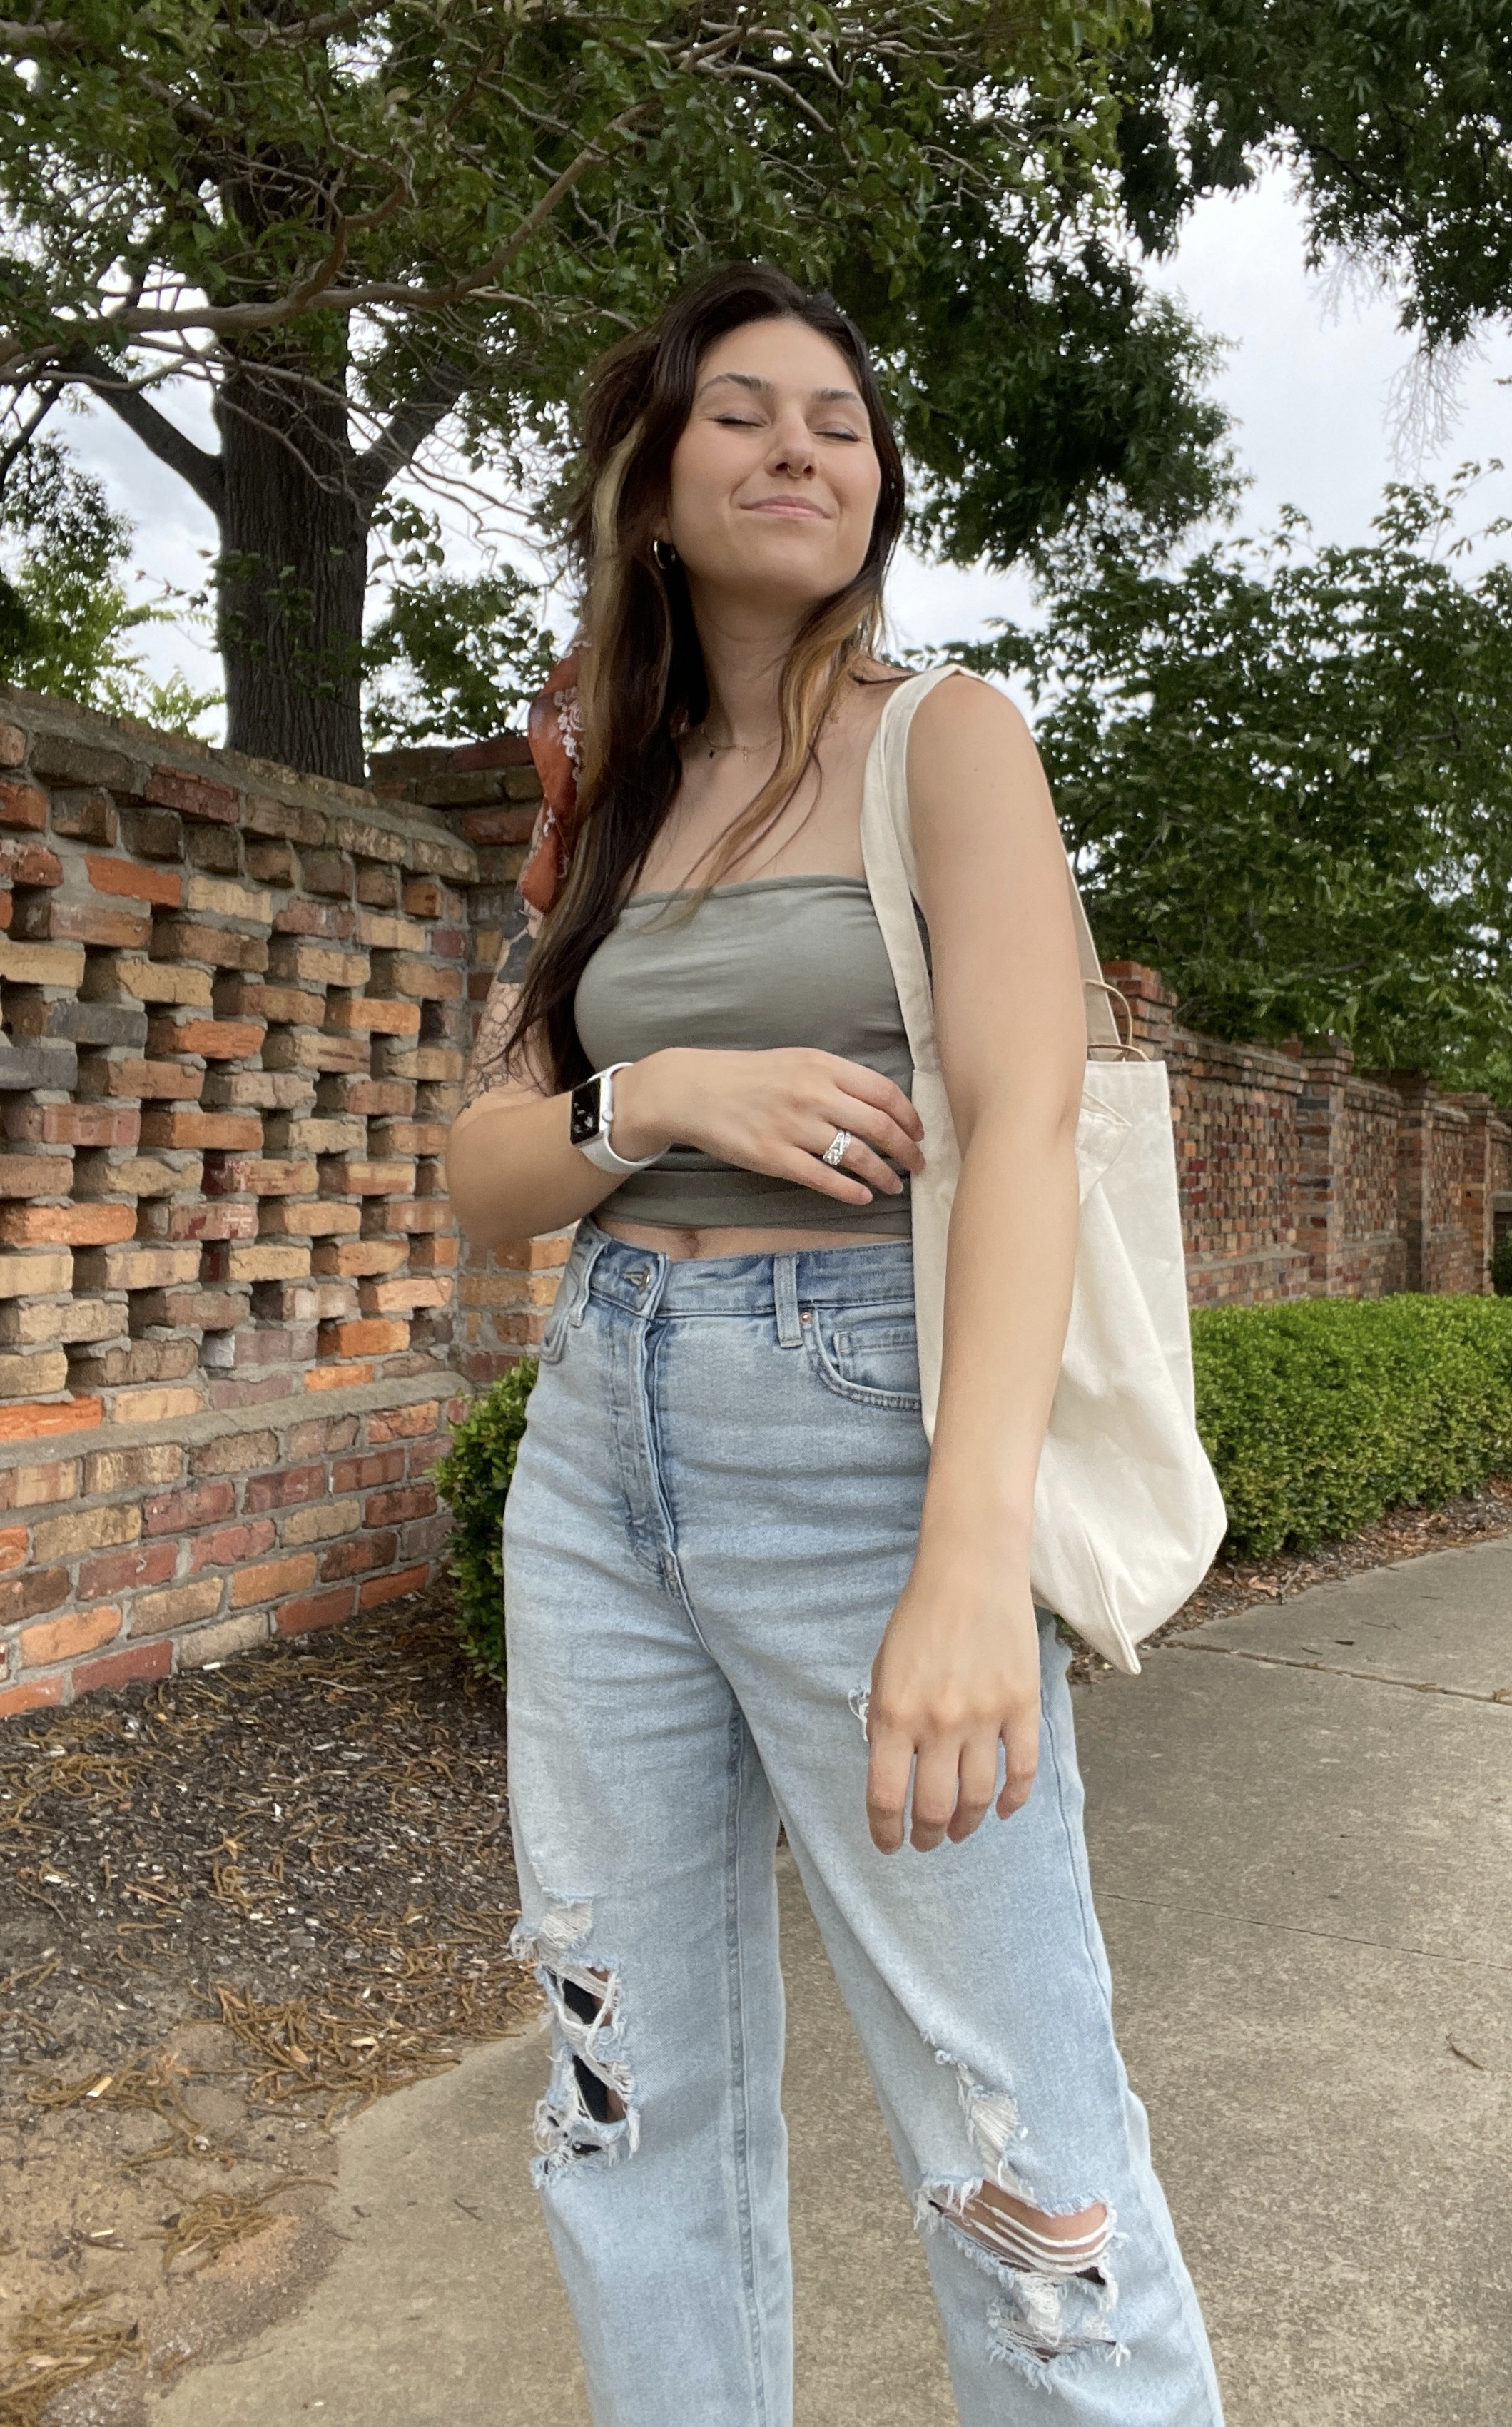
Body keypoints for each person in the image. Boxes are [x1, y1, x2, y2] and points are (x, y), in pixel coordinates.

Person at [446, 262, 1222, 2427]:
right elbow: (488, 1170)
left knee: (1017, 2142)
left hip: (867, 1438)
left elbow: (1028, 1118)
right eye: (744, 415)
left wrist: (972, 1557)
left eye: (842, 424)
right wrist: (660, 1099)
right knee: (624, 2095)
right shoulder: (607, 794)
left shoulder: (945, 740)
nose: (802, 448)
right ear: (656, 479)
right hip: (603, 1446)